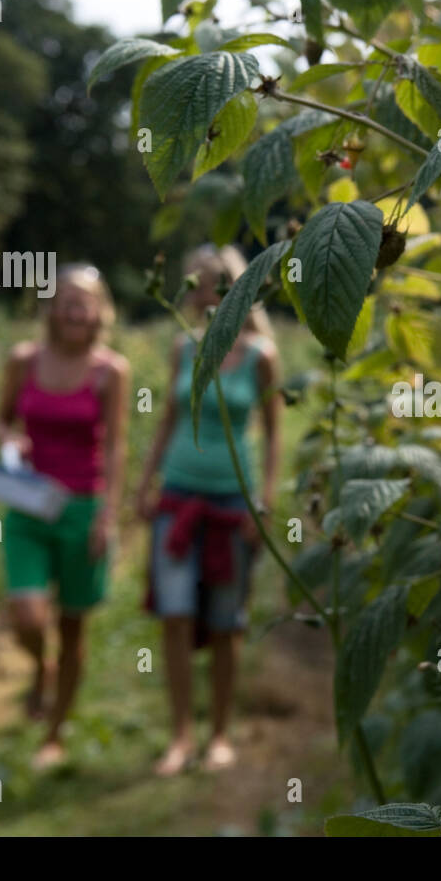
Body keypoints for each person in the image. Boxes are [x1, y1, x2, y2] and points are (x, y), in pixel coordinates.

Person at [136, 245, 282, 775]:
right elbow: (167, 419)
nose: (205, 292)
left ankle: (219, 734)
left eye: (217, 281)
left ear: (237, 285)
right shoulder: (183, 345)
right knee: (174, 613)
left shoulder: (261, 354)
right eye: (196, 282)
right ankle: (179, 736)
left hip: (231, 499)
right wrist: (144, 482)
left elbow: (272, 434)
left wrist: (263, 502)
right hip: (178, 494)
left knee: (226, 621)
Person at [0, 264, 130, 770]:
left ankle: (54, 734)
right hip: (27, 502)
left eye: (85, 301)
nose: (75, 309)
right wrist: (7, 439)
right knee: (26, 615)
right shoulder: (22, 360)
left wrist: (108, 515)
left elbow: (116, 445)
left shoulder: (110, 370)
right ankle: (40, 667)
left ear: (99, 312)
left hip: (82, 506)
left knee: (74, 626)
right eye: (66, 300)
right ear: (51, 308)